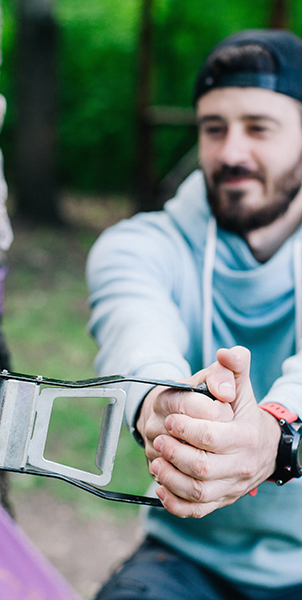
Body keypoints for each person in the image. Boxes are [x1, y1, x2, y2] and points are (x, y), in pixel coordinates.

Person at [87, 29, 302, 600]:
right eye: (214, 128)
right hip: (186, 560)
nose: (231, 152)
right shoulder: (137, 246)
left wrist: (271, 435)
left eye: (258, 127)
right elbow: (136, 342)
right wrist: (165, 408)